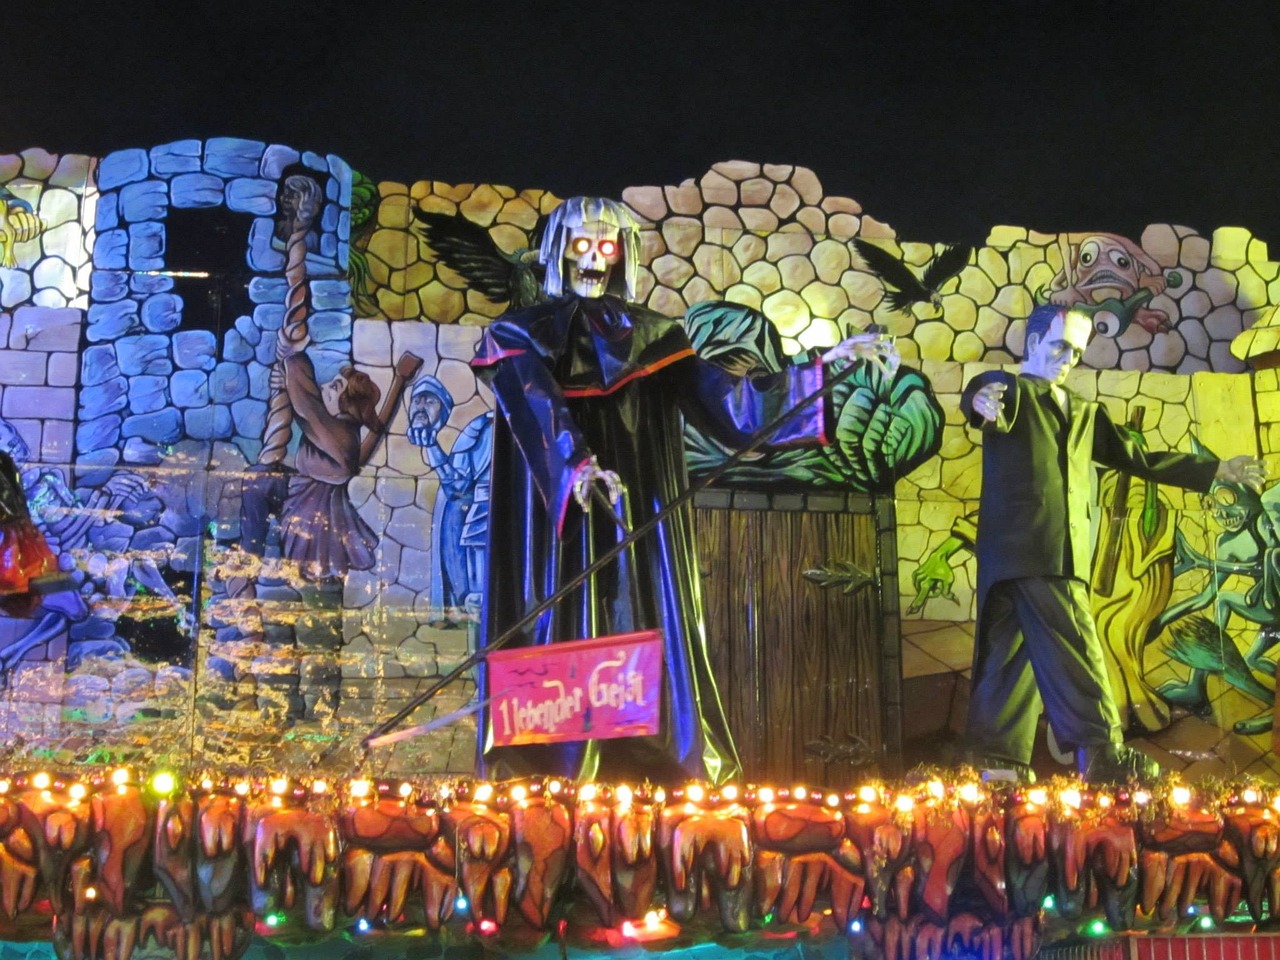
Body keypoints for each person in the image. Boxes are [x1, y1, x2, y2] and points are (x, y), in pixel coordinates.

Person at [471, 196, 896, 785]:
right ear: (558, 250)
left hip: (636, 500)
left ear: (622, 253)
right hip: (553, 514)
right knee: (554, 611)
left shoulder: (654, 335)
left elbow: (730, 399)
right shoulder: (520, 332)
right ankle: (544, 767)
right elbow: (532, 400)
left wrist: (822, 369)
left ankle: (645, 767)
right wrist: (575, 466)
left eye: (606, 245)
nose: (593, 258)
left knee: (639, 609)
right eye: (581, 244)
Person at [961, 303, 1264, 782]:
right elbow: (984, 393)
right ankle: (1103, 751)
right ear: (1033, 343)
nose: (1068, 359)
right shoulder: (1011, 392)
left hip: (1055, 553)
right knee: (1075, 645)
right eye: (1060, 347)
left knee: (1010, 655)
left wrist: (1213, 470)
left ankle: (997, 764)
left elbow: (1137, 457)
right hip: (1039, 552)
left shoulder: (1083, 411)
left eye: (1076, 352)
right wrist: (979, 400)